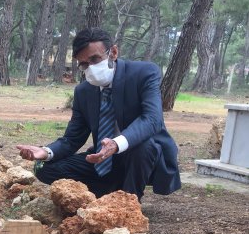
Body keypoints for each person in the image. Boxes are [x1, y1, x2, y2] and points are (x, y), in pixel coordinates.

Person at [16, 27, 181, 200]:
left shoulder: (144, 73)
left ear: (113, 52)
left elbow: (152, 120)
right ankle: (108, 194)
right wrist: (46, 152)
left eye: (95, 59)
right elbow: (72, 139)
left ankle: (128, 203)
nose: (91, 67)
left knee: (143, 146)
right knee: (44, 168)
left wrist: (116, 144)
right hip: (103, 158)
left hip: (144, 157)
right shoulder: (83, 91)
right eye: (84, 64)